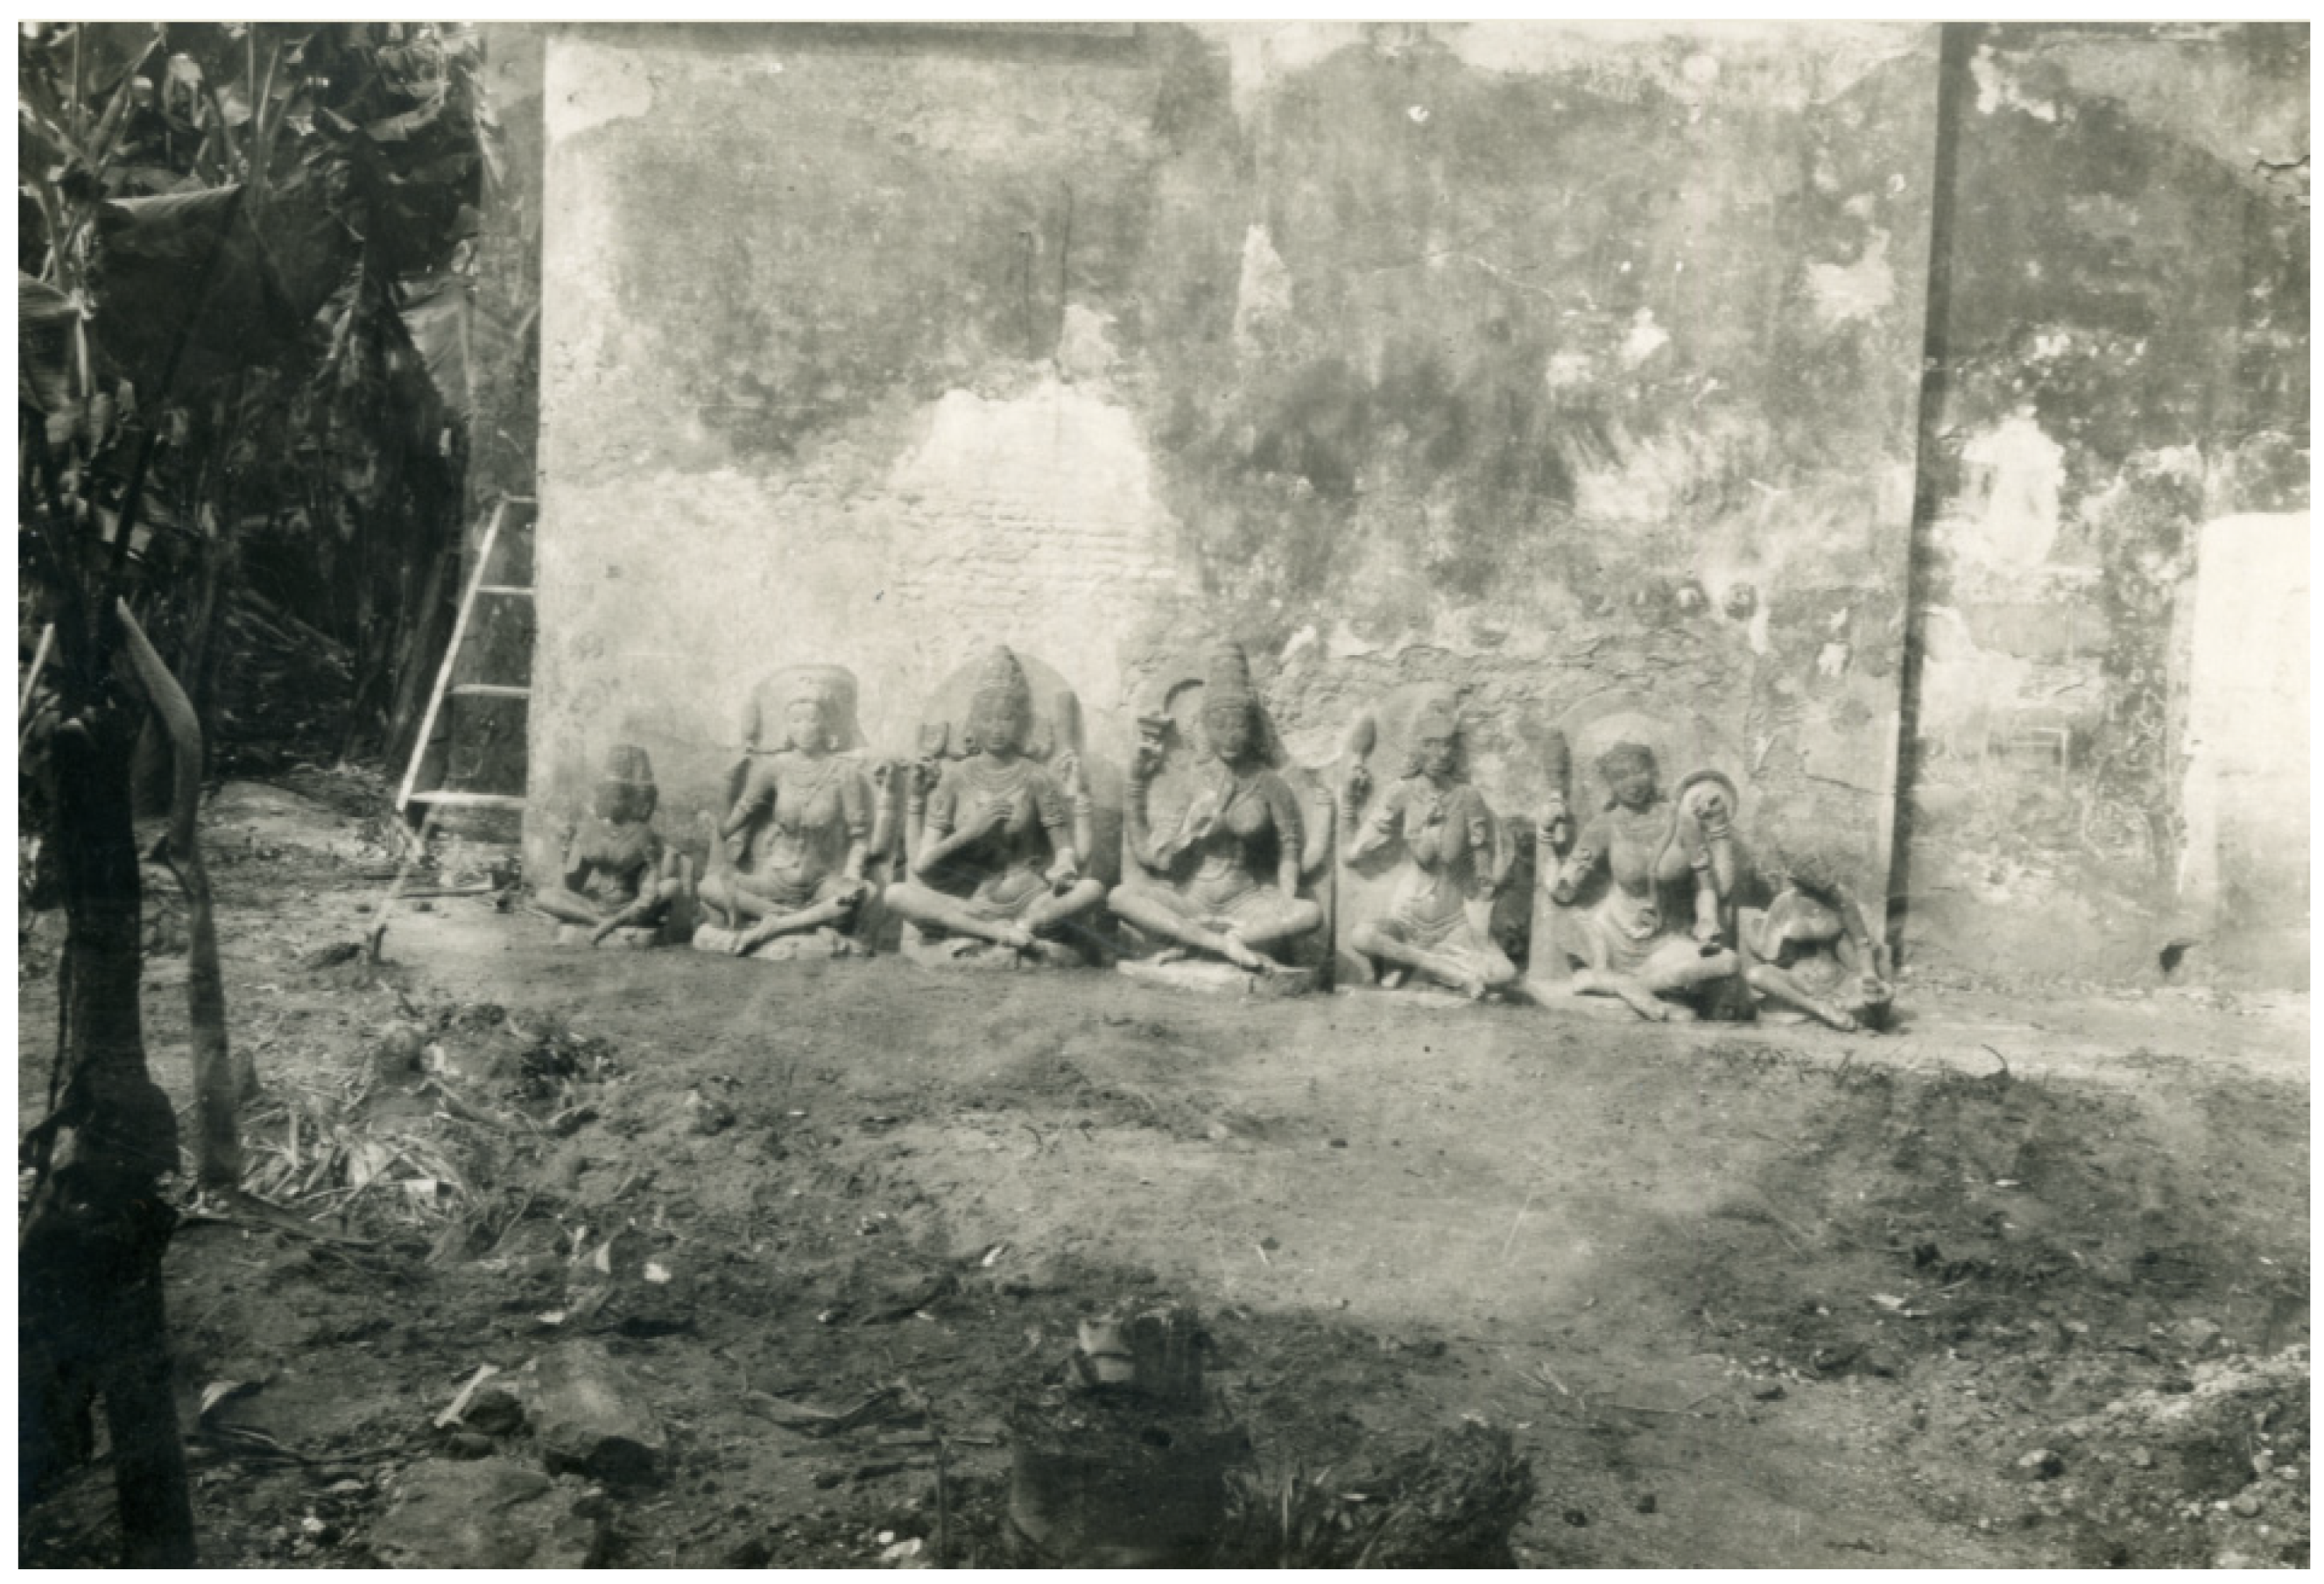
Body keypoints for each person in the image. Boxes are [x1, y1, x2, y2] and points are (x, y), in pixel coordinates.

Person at [1109, 643, 1323, 975]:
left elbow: (1289, 850)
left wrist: (1286, 895)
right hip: (1192, 899)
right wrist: (1187, 830)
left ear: (1253, 727)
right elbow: (1153, 858)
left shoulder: (1269, 784)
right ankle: (1220, 945)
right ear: (1205, 726)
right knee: (1120, 897)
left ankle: (1222, 939)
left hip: (1248, 902)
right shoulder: (1190, 782)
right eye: (1220, 725)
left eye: (1239, 725)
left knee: (1310, 913)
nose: (1230, 736)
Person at [884, 646, 1104, 963]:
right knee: (895, 894)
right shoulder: (955, 779)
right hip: (972, 903)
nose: (997, 728)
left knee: (1092, 889)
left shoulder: (1035, 778)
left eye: (1007, 718)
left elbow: (1069, 853)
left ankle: (1023, 928)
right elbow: (922, 866)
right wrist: (971, 832)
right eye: (987, 719)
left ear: (1022, 724)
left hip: (1032, 900)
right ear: (973, 724)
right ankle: (997, 935)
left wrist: (1064, 865)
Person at [1545, 742, 1741, 1020]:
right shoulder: (1604, 825)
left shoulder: (1681, 821)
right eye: (1620, 777)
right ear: (1610, 785)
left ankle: (1620, 986)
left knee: (1728, 962)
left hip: (1666, 940)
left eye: (1638, 772)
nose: (1631, 783)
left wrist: (1707, 921)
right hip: (1610, 937)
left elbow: (1707, 887)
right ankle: (1633, 988)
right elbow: (1564, 891)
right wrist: (1547, 838)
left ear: (1653, 772)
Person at [1341, 697, 1518, 999]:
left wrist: (1488, 883)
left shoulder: (1468, 797)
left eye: (1447, 745)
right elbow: (1353, 854)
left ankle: (1417, 965)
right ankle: (1440, 968)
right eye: (1430, 744)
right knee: (1362, 935)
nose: (1441, 754)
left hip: (1454, 922)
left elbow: (1485, 866)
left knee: (1505, 973)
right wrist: (1349, 801)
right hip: (1406, 920)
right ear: (1416, 749)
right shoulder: (1402, 792)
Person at [696, 672, 882, 956]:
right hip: (774, 880)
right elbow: (735, 822)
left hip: (822, 883)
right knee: (709, 887)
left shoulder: (845, 773)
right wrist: (722, 800)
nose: (804, 728)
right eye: (796, 720)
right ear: (787, 727)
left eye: (812, 719)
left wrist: (851, 874)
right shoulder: (775, 768)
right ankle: (788, 919)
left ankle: (770, 928)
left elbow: (859, 838)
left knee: (865, 893)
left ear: (827, 724)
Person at [535, 744, 687, 945]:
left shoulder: (642, 833)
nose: (608, 801)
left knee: (670, 887)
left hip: (629, 905)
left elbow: (651, 885)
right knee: (544, 895)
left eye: (616, 796)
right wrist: (566, 855)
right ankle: (601, 924)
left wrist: (655, 866)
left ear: (630, 802)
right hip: (595, 904)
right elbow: (573, 885)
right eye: (605, 795)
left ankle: (609, 924)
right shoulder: (591, 832)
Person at [1741, 844, 1893, 1031]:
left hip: (1839, 980)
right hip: (1799, 982)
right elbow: (1767, 953)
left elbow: (1862, 943)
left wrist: (1869, 974)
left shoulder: (1841, 899)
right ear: (1796, 883)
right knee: (1756, 975)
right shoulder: (1784, 903)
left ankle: (1820, 1009)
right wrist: (1766, 937)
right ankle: (1819, 1009)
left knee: (1885, 992)